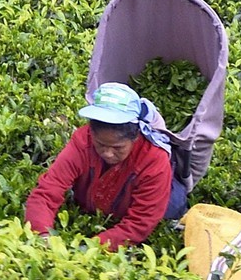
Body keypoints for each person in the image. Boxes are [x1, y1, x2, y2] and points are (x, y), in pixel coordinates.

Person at [25, 80, 189, 249]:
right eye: (101, 145)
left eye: (118, 147)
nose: (108, 153)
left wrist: (91, 248)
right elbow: (47, 192)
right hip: (97, 205)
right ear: (91, 132)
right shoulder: (83, 141)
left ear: (135, 137)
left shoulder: (154, 158)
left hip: (162, 204)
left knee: (171, 208)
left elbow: (140, 222)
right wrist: (41, 235)